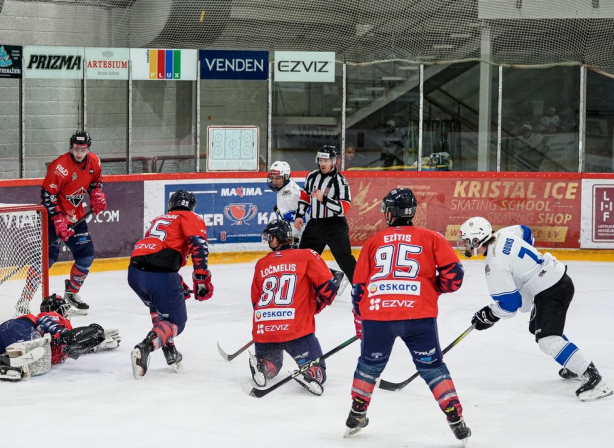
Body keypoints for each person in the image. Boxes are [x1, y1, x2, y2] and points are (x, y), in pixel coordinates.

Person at [346, 188, 469, 443]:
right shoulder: (431, 237)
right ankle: (454, 415)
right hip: (418, 315)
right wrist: (434, 287)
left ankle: (357, 412)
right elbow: (455, 277)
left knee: (369, 365)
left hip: (377, 315)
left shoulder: (373, 241)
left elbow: (358, 292)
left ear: (391, 213)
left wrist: (362, 320)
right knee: (433, 368)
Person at [458, 217, 612, 402]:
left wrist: (488, 315)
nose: (464, 245)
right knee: (537, 329)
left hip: (551, 290)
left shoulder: (494, 264)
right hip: (556, 279)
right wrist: (525, 268)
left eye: (467, 241)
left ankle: (593, 378)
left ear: (477, 241)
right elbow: (525, 231)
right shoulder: (503, 233)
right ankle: (574, 362)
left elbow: (510, 306)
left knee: (547, 340)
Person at [128, 189, 213, 378]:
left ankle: (169, 349)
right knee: (177, 322)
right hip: (159, 274)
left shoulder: (161, 219)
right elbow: (198, 244)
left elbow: (157, 251)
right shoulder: (190, 217)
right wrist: (201, 277)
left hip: (134, 274)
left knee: (158, 306)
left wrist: (177, 281)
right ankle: (145, 347)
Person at [248, 220, 338, 396]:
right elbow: (328, 291)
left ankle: (264, 366)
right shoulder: (308, 256)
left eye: (270, 237)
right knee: (317, 367)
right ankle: (310, 372)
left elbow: (255, 302)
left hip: (263, 330)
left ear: (278, 238)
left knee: (274, 365)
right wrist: (316, 304)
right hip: (295, 330)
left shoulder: (261, 263)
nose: (268, 241)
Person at [24, 130, 107, 315]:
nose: (79, 153)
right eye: (76, 148)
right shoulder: (59, 167)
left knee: (86, 255)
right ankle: (24, 300)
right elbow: (47, 195)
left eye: (83, 149)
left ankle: (71, 294)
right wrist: (58, 219)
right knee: (47, 260)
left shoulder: (94, 161)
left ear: (88, 149)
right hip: (52, 218)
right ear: (71, 147)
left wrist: (96, 193)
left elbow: (95, 182)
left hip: (75, 217)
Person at [293, 144, 357, 283]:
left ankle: (363, 290)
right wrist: (299, 215)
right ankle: (302, 289)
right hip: (315, 225)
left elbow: (343, 208)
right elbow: (305, 197)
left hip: (335, 226)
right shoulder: (311, 176)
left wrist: (324, 199)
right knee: (303, 259)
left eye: (326, 160)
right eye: (321, 160)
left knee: (345, 260)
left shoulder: (341, 181)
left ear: (334, 161)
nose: (323, 163)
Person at [267, 160, 305, 245]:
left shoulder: (288, 194)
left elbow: (293, 222)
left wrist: (287, 239)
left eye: (278, 178)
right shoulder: (288, 186)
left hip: (299, 234)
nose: (274, 181)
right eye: (272, 177)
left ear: (286, 176)